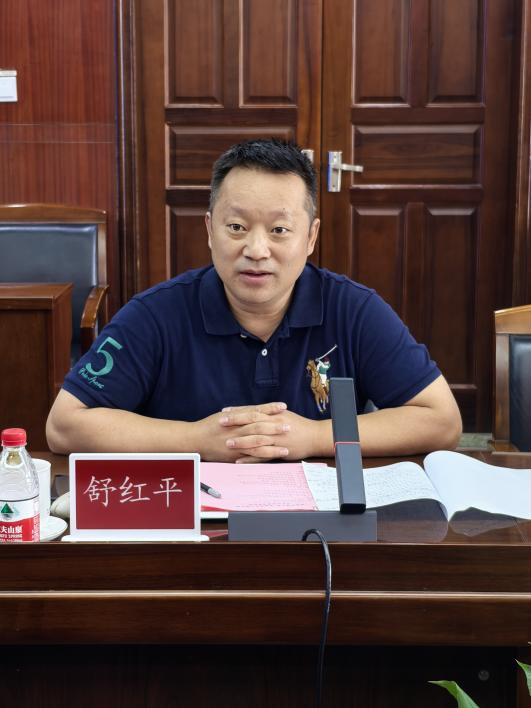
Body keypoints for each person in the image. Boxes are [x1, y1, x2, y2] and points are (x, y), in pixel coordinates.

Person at [46, 139, 462, 461]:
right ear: (209, 230)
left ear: (311, 237)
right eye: (237, 227)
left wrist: (315, 436)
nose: (257, 250)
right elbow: (65, 425)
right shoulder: (155, 315)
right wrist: (196, 439)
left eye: (279, 230)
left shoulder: (354, 310)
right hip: (195, 528)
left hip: (321, 527)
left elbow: (442, 420)